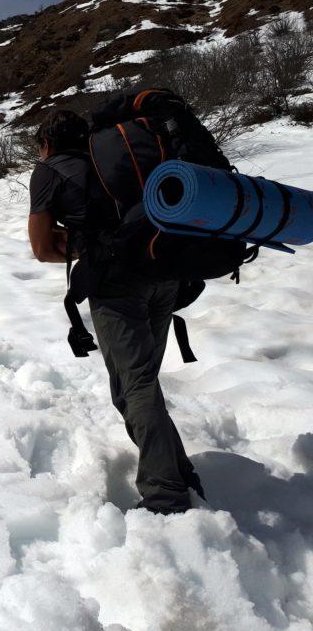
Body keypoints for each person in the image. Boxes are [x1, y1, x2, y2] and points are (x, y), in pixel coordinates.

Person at [27, 110, 203, 515]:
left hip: (117, 287)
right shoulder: (122, 158)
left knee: (134, 387)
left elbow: (42, 249)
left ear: (47, 143)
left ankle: (165, 496)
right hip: (165, 274)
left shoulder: (50, 169)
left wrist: (89, 248)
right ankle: (178, 469)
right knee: (142, 382)